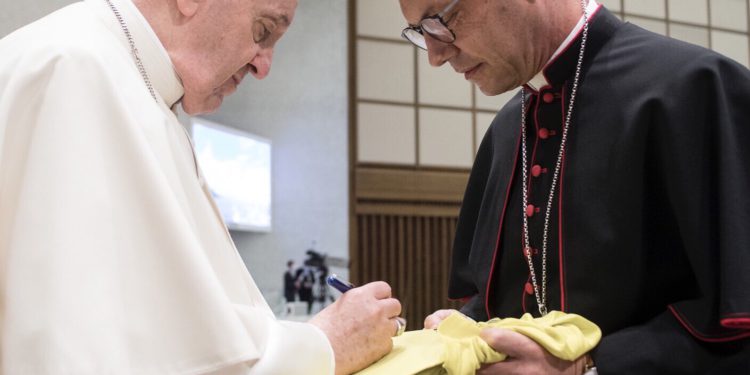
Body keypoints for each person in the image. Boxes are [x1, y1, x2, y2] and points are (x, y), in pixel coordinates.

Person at [0, 0, 402, 374]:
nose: (264, 67)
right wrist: (322, 347)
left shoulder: (133, 84)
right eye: (263, 31)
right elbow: (91, 350)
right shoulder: (73, 71)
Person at [398, 0, 750, 374]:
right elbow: (496, 296)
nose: (435, 55)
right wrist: (469, 329)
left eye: (442, 20)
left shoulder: (696, 87)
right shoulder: (506, 129)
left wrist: (591, 367)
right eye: (421, 32)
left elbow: (734, 313)